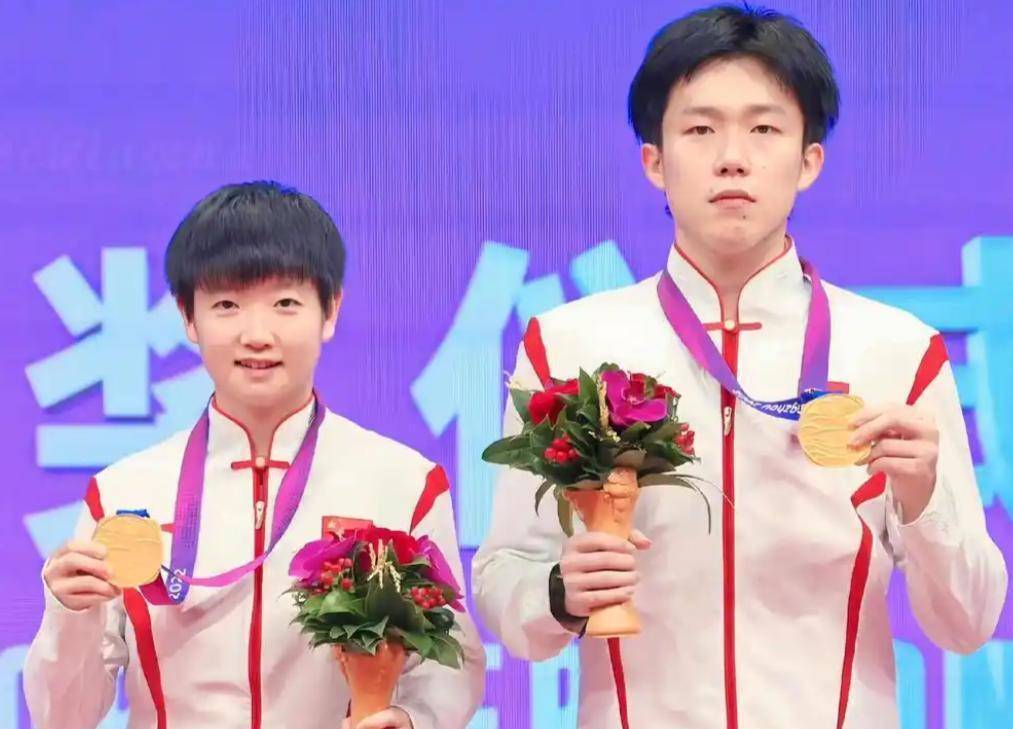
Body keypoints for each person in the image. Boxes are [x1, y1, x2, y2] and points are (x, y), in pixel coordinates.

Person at [472, 6, 1007, 728]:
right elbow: (505, 577)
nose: (732, 157)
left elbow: (968, 622)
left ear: (808, 161)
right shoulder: (569, 346)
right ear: (654, 161)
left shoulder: (896, 351)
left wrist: (921, 499)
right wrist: (559, 594)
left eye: (764, 129)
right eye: (700, 130)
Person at [24, 181, 485, 729]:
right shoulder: (123, 492)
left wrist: (412, 719)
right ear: (188, 317)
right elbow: (64, 717)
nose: (257, 334)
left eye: (286, 303)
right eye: (226, 305)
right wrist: (70, 615)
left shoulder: (403, 483)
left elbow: (450, 663)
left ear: (330, 310)